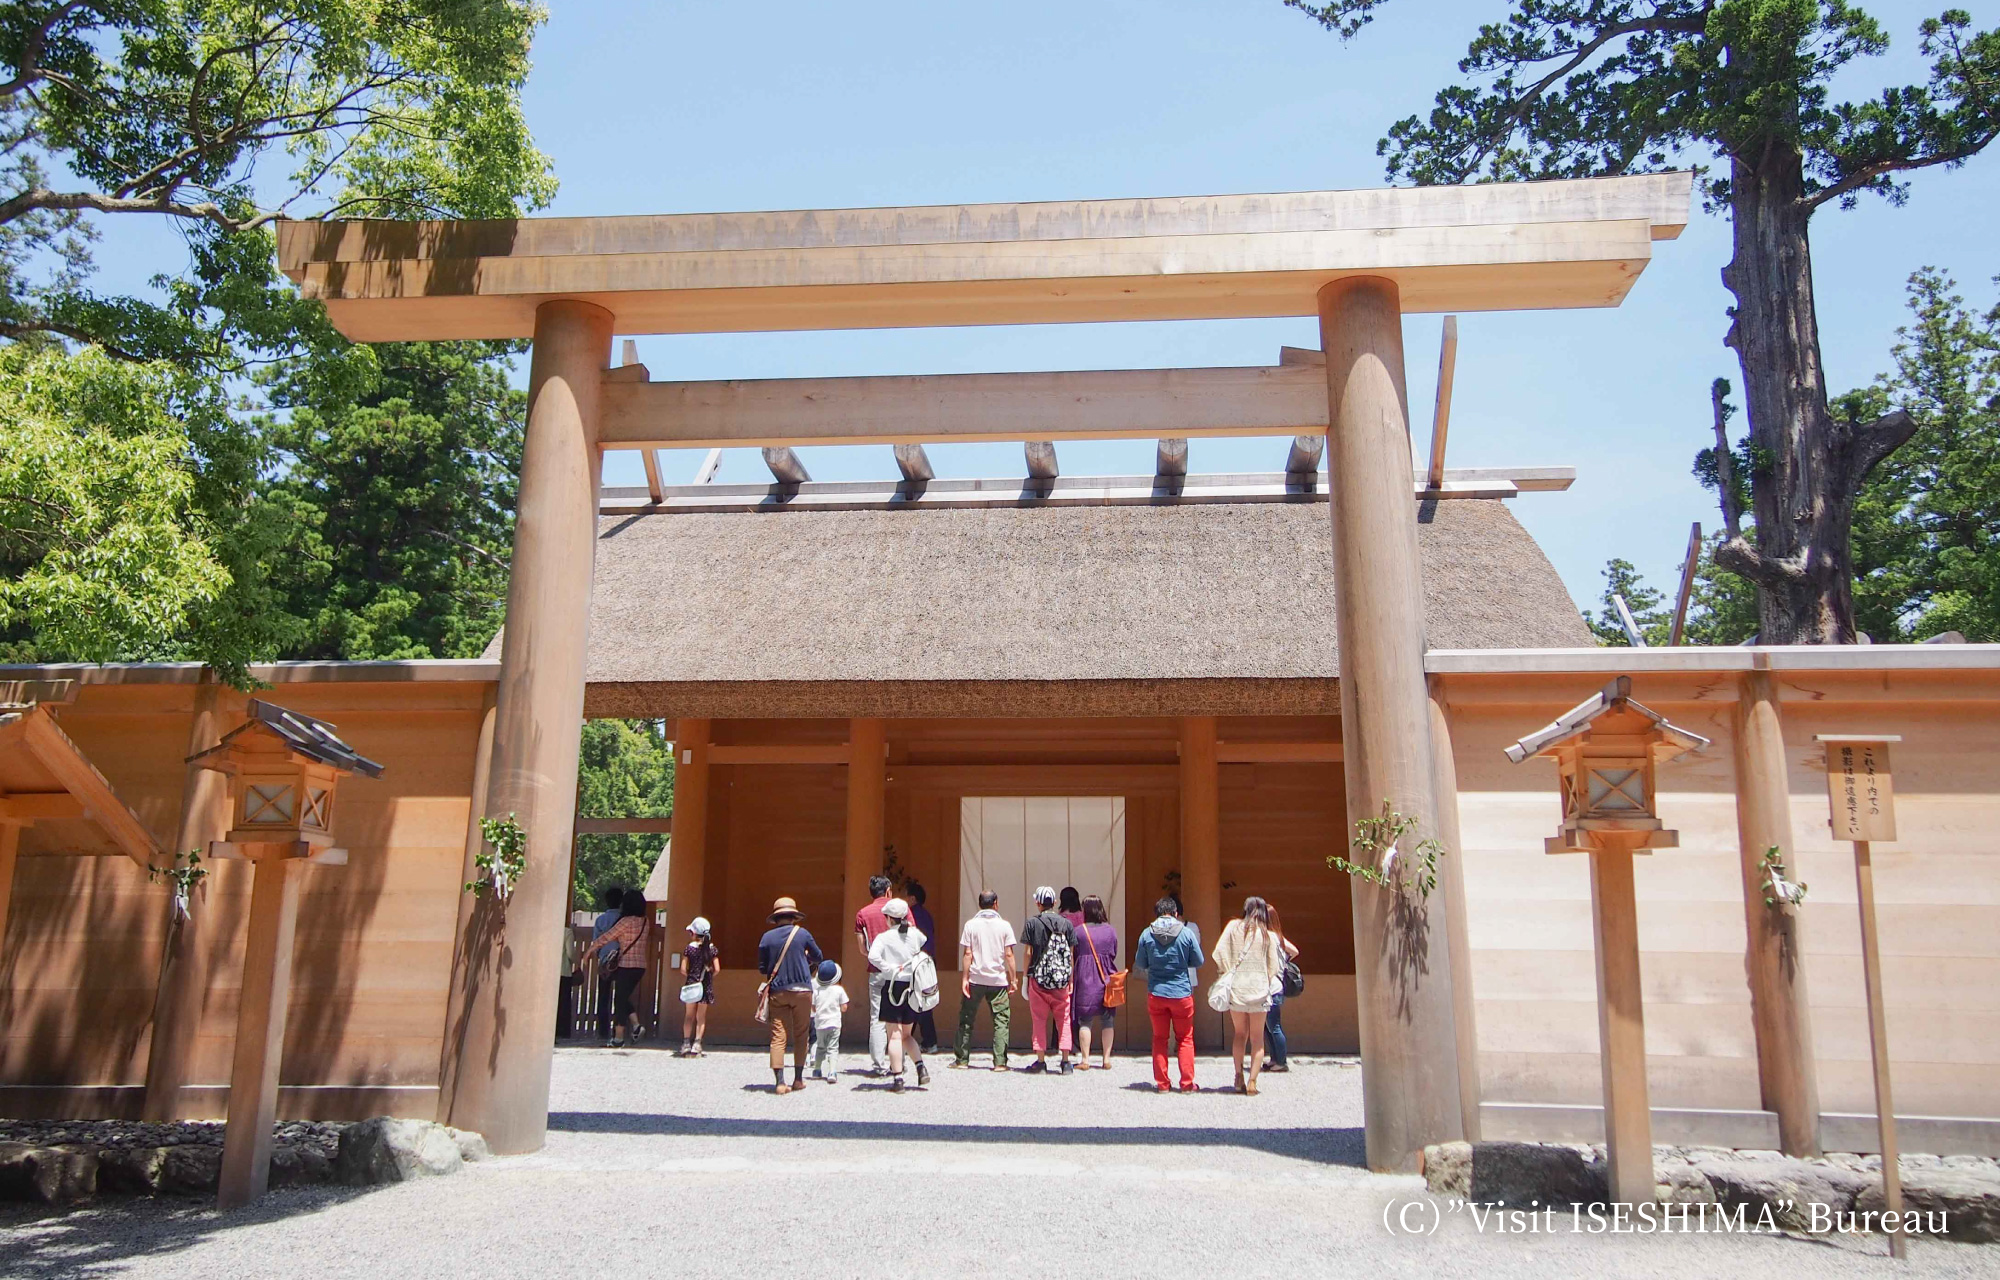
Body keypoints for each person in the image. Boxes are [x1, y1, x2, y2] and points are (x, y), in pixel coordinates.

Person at [1213, 896, 1285, 1095]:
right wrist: (1264, 977)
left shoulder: (1233, 927)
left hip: (1237, 989)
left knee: (1239, 1034)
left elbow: (1218, 952)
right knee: (1257, 1038)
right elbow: (1274, 966)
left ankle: (1238, 1075)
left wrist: (1228, 971)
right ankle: (1253, 1081)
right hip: (1259, 991)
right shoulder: (1268, 935)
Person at [1134, 896, 1204, 1093]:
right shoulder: (1186, 933)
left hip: (1156, 993)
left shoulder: (1147, 934)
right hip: (1181, 992)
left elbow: (1140, 963)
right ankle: (1187, 1084)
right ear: (1175, 913)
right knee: (1185, 1038)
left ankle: (1163, 1084)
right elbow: (1198, 961)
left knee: (1159, 1038)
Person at [758, 896, 824, 1095]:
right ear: (794, 917)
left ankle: (779, 1082)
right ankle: (797, 1079)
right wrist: (805, 959)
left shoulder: (766, 938)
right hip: (802, 990)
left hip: (778, 990)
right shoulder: (802, 934)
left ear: (776, 918)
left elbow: (762, 968)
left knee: (778, 1036)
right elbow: (818, 956)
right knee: (801, 1034)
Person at [868, 898, 933, 1093]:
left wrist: (888, 967)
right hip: (913, 987)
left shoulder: (884, 937)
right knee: (906, 1034)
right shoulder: (915, 935)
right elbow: (923, 942)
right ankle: (920, 1067)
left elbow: (872, 956)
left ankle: (898, 1080)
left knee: (894, 1036)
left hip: (893, 986)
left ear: (888, 918)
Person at [954, 890, 1017, 1071]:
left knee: (966, 1018)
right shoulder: (1004, 925)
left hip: (975, 978)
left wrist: (965, 978)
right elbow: (1009, 954)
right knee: (1001, 1021)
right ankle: (999, 1062)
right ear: (996, 903)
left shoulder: (970, 925)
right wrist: (1013, 979)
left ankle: (962, 1060)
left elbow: (967, 953)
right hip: (997, 980)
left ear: (979, 903)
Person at [1019, 885, 1078, 1074]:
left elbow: (1028, 952)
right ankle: (1066, 1061)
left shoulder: (1032, 923)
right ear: (1054, 903)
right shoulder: (1066, 924)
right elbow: (1070, 954)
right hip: (1061, 981)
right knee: (1064, 1020)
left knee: (1039, 1019)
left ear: (1038, 903)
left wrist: (1025, 977)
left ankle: (1041, 1061)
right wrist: (1070, 978)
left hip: (1038, 979)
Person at [587, 895, 652, 1047]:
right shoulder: (645, 922)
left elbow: (607, 937)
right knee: (622, 997)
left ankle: (619, 1038)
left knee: (620, 1001)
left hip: (625, 965)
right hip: (640, 965)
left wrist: (589, 950)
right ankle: (636, 1027)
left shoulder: (626, 921)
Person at [1072, 894, 1119, 1070]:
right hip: (1107, 977)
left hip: (1085, 977)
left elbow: (1073, 954)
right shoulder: (1110, 930)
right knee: (1108, 1020)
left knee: (1085, 1020)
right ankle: (1106, 1059)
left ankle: (1085, 1059)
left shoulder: (1079, 931)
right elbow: (1114, 952)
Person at [853, 874, 893, 1075]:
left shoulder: (863, 913)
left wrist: (874, 956)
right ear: (888, 891)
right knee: (898, 1018)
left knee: (877, 1018)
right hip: (898, 971)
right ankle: (898, 1061)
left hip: (876, 970)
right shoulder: (899, 909)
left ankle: (879, 1064)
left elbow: (862, 948)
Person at [1264, 904, 1302, 1074]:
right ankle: (1275, 1059)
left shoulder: (1269, 937)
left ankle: (1281, 1061)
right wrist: (1284, 961)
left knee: (1274, 1026)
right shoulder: (1278, 937)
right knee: (1268, 1026)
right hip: (1276, 986)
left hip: (1272, 987)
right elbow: (1294, 951)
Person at [676, 916, 720, 1057]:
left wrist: (691, 976)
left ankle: (685, 1043)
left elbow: (683, 968)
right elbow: (717, 969)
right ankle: (697, 1043)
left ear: (694, 933)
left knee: (689, 1016)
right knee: (701, 1017)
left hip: (691, 985)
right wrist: (708, 977)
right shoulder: (712, 950)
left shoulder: (689, 949)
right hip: (705, 986)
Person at [906, 880, 940, 1054]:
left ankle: (908, 1040)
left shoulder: (910, 915)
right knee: (924, 1000)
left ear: (912, 898)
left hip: (915, 962)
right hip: (928, 961)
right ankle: (928, 1041)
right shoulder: (926, 915)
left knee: (912, 1001)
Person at [588, 886, 625, 1041]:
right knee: (621, 997)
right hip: (621, 960)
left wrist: (600, 955)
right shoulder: (624, 919)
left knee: (603, 996)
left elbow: (596, 940)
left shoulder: (600, 920)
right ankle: (619, 1030)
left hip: (605, 961)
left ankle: (603, 1031)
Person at [810, 959, 849, 1083]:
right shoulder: (839, 990)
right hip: (834, 1024)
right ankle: (832, 1071)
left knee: (820, 1047)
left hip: (820, 1023)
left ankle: (816, 1069)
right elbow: (844, 1007)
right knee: (833, 1048)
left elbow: (813, 1008)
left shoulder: (816, 991)